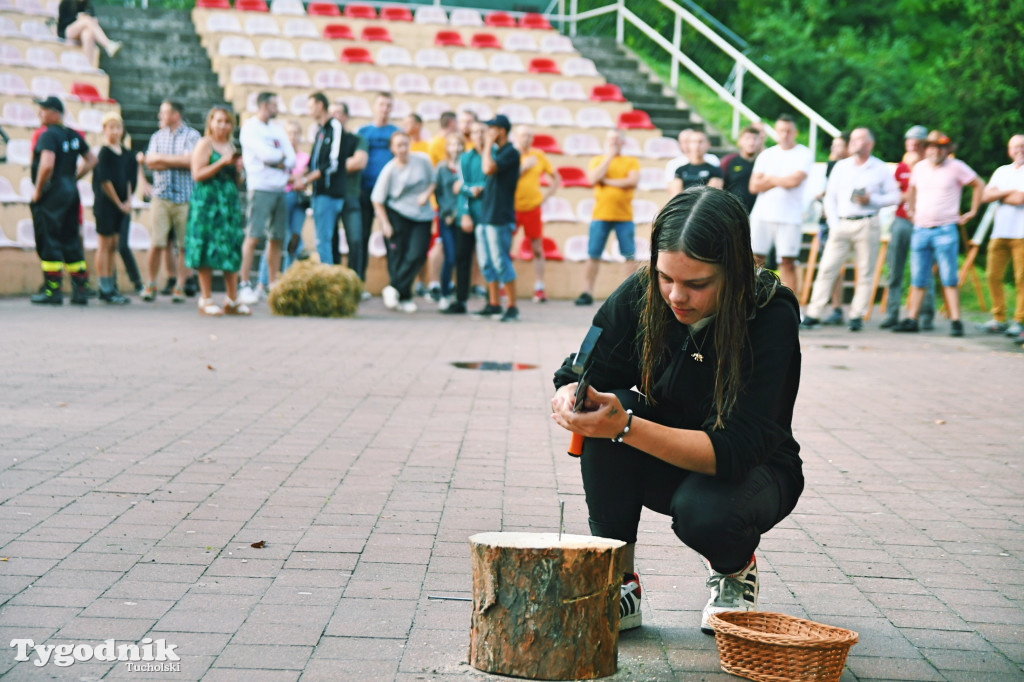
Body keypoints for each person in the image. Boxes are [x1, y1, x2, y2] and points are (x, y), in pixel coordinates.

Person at [550, 187, 803, 634]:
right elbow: (583, 368)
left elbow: (736, 450)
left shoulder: (770, 315)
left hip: (754, 471)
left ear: (736, 271)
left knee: (704, 514)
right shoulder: (645, 291)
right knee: (611, 410)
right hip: (667, 451)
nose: (676, 296)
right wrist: (572, 396)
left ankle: (733, 571)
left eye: (697, 284)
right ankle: (618, 581)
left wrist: (624, 426)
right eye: (666, 277)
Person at [801, 128, 900, 332]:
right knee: (828, 268)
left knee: (865, 271)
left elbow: (895, 196)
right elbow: (830, 196)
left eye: (860, 139)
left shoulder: (880, 168)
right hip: (842, 223)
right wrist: (834, 223)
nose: (854, 142)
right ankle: (814, 313)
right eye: (853, 139)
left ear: (870, 144)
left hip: (867, 222)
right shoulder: (841, 166)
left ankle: (857, 315)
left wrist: (871, 200)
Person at [894, 131, 985, 336]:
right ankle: (912, 318)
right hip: (921, 228)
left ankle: (955, 321)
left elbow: (978, 184)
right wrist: (911, 210)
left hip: (945, 228)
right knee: (918, 277)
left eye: (940, 147)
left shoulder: (956, 167)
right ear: (926, 148)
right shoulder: (919, 168)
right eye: (932, 146)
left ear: (947, 149)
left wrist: (972, 211)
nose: (936, 150)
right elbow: (912, 190)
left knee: (948, 277)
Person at [28, 96, 97, 305]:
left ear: (55, 113)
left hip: (52, 194)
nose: (40, 113)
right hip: (70, 192)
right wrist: (73, 178)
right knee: (70, 239)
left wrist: (38, 191)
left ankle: (52, 291)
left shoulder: (48, 135)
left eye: (44, 110)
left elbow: (47, 164)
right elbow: (92, 159)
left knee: (49, 239)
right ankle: (80, 290)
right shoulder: (73, 134)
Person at [185, 106, 248, 317]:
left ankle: (232, 299)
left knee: (230, 247)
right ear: (210, 122)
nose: (222, 125)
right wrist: (222, 162)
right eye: (218, 121)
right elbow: (197, 174)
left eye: (227, 121)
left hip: (227, 205)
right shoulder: (205, 144)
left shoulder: (231, 145)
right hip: (207, 204)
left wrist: (239, 171)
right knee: (207, 247)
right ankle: (206, 298)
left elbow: (236, 180)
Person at [238, 92, 296, 305]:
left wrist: (277, 160)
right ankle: (244, 283)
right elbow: (266, 155)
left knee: (277, 238)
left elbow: (291, 158)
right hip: (260, 187)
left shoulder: (278, 130)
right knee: (253, 236)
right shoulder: (250, 128)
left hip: (280, 189)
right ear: (263, 104)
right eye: (274, 103)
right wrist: (277, 158)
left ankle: (272, 284)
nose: (277, 107)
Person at [141, 100, 201, 303]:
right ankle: (150, 284)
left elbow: (192, 161)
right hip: (161, 196)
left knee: (184, 246)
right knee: (156, 243)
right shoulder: (157, 136)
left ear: (175, 114)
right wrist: (178, 160)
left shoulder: (192, 136)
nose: (160, 116)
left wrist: (162, 160)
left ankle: (180, 286)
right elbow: (150, 162)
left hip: (185, 198)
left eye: (164, 112)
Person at [748, 114, 814, 294]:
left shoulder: (804, 153)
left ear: (795, 132)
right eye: (781, 131)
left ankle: (790, 303)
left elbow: (795, 181)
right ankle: (754, 297)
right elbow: (754, 186)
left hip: (789, 215)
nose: (784, 135)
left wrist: (768, 179)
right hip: (762, 214)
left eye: (788, 131)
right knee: (755, 258)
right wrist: (782, 180)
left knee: (787, 261)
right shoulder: (766, 154)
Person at [372, 132, 436, 313]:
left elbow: (433, 181)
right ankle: (405, 296)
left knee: (418, 253)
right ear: (392, 148)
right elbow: (377, 199)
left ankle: (393, 288)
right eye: (398, 145)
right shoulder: (389, 169)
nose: (403, 149)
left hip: (421, 216)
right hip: (397, 214)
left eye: (405, 144)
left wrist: (426, 194)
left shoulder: (422, 160)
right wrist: (385, 224)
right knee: (397, 257)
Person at [576, 129, 640, 307]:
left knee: (629, 255)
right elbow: (593, 178)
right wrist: (609, 157)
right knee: (593, 254)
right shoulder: (598, 160)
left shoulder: (631, 161)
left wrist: (607, 181)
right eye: (610, 140)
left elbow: (632, 181)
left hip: (624, 216)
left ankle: (631, 293)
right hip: (600, 215)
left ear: (623, 142)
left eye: (617, 140)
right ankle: (587, 291)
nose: (613, 143)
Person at [881, 125, 934, 329]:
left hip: (922, 223)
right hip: (901, 220)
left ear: (923, 144)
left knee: (923, 270)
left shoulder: (930, 166)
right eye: (908, 141)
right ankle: (892, 313)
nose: (911, 145)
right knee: (895, 268)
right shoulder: (901, 167)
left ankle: (926, 315)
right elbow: (894, 194)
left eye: (915, 141)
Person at [475, 114, 521, 322]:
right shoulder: (498, 152)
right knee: (487, 263)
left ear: (501, 131)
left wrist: (487, 146)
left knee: (501, 261)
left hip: (499, 216)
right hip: (486, 215)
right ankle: (493, 304)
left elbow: (488, 168)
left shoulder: (511, 152)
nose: (488, 132)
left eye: (491, 128)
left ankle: (511, 306)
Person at [979, 134, 1024, 339]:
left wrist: (1000, 194)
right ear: (1009, 150)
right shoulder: (1001, 171)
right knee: (992, 276)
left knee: (1021, 279)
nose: (1019, 150)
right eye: (1015, 147)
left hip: (1021, 233)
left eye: (1022, 146)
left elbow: (1019, 199)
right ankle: (999, 317)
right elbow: (985, 196)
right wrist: (1010, 192)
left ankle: (1019, 320)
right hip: (1000, 232)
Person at [92, 112, 137, 304]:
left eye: (118, 127)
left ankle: (111, 284)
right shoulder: (104, 153)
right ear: (104, 130)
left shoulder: (126, 154)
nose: (115, 131)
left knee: (113, 245)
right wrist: (118, 203)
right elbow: (105, 181)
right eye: (111, 127)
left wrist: (127, 201)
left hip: (121, 207)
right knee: (104, 244)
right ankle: (104, 286)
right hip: (106, 206)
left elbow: (128, 180)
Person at [513, 125, 561, 303]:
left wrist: (546, 196)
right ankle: (504, 286)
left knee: (537, 248)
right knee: (505, 246)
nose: (526, 139)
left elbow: (556, 178)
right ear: (516, 137)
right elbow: (505, 181)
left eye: (529, 136)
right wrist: (523, 168)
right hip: (512, 207)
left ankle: (539, 287)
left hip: (533, 207)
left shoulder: (539, 155)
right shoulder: (511, 154)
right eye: (523, 135)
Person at [442, 121, 486, 315]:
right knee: (462, 258)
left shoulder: (493, 156)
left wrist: (470, 189)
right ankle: (460, 300)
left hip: (488, 217)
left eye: (482, 131)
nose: (479, 135)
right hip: (468, 216)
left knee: (490, 260)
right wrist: (466, 213)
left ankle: (494, 301)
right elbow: (462, 188)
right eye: (475, 132)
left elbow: (486, 187)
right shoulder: (466, 157)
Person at [257, 120, 308, 286]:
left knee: (294, 239)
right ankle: (263, 281)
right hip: (283, 197)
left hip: (299, 200)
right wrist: (296, 179)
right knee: (276, 239)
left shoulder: (304, 158)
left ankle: (287, 280)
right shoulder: (279, 155)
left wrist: (295, 179)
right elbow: (294, 177)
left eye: (296, 133)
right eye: (289, 133)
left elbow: (304, 178)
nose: (292, 137)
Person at [357, 93, 400, 283]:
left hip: (389, 194)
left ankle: (395, 284)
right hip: (365, 191)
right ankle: (359, 282)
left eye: (388, 105)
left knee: (391, 238)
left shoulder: (396, 133)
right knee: (361, 236)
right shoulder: (363, 132)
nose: (384, 108)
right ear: (374, 107)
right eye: (381, 104)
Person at [328, 101, 368, 277]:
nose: (334, 117)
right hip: (329, 198)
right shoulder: (326, 140)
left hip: (350, 196)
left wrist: (329, 165)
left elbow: (359, 162)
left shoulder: (357, 139)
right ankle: (335, 281)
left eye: (338, 113)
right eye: (331, 113)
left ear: (346, 117)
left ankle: (355, 282)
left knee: (356, 240)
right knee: (331, 241)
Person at [433, 132, 464, 310]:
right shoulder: (441, 168)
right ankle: (445, 293)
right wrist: (447, 213)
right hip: (446, 219)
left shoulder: (465, 167)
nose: (456, 148)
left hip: (464, 219)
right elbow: (438, 193)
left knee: (462, 257)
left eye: (459, 144)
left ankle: (460, 295)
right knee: (450, 256)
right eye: (452, 144)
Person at [720, 125, 763, 213]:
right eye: (747, 139)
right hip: (733, 212)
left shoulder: (765, 163)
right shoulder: (729, 162)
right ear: (740, 141)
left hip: (759, 215)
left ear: (760, 142)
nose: (751, 142)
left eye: (755, 139)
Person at [669, 129, 724, 195]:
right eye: (693, 142)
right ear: (688, 145)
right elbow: (676, 195)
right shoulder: (680, 170)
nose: (697, 145)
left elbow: (711, 195)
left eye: (700, 142)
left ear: (708, 144)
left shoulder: (715, 171)